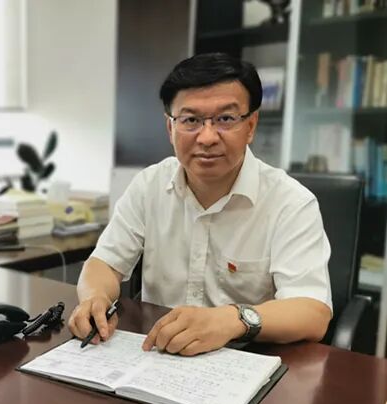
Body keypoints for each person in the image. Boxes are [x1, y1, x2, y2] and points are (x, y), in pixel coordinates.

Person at [68, 53, 332, 356]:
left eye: (225, 119)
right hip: (158, 353)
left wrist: (233, 319)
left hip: (247, 359)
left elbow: (313, 313)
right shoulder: (149, 185)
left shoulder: (291, 203)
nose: (207, 137)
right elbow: (104, 263)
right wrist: (95, 297)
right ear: (170, 128)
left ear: (251, 125)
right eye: (191, 120)